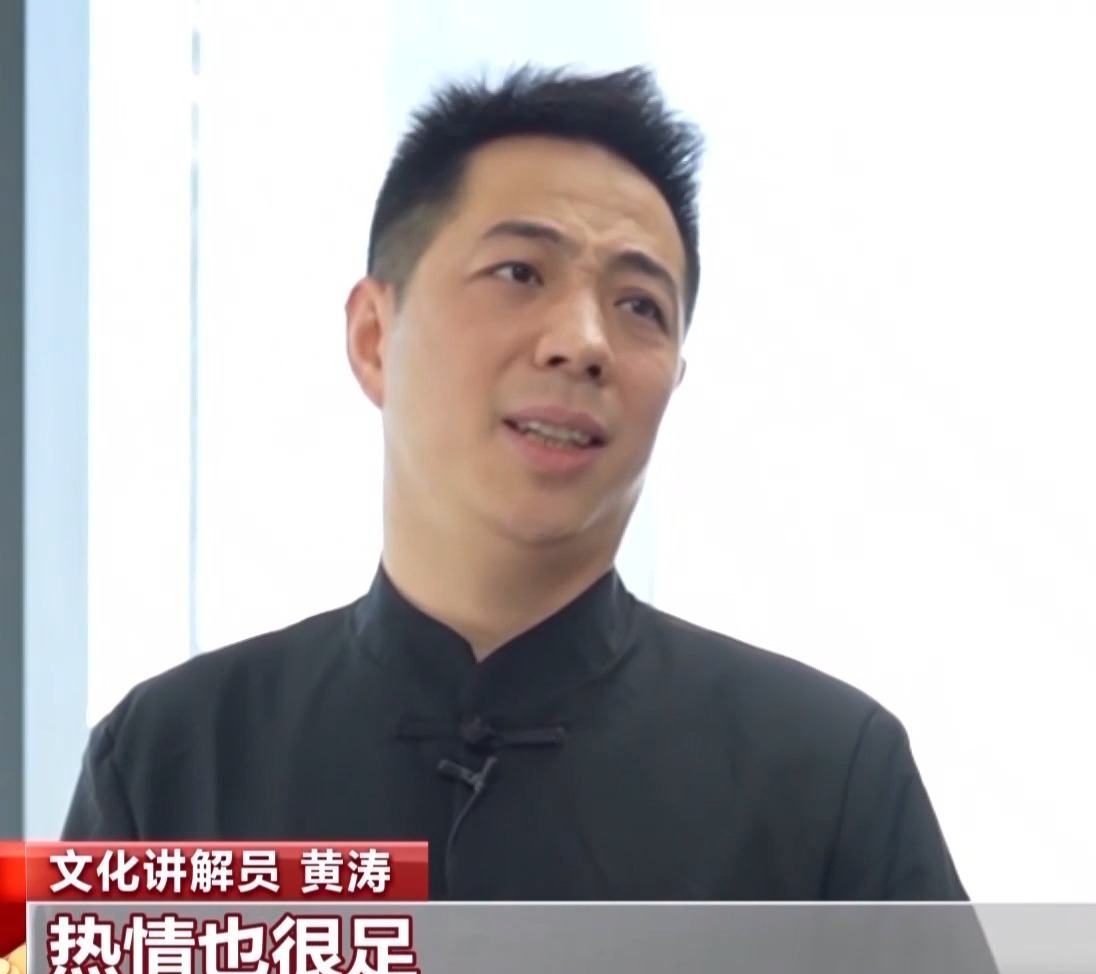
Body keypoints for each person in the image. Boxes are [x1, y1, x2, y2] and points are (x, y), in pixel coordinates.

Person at [62, 64, 973, 905]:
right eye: (518, 272)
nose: (582, 342)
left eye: (640, 306)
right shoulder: (166, 759)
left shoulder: (830, 776)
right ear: (374, 337)